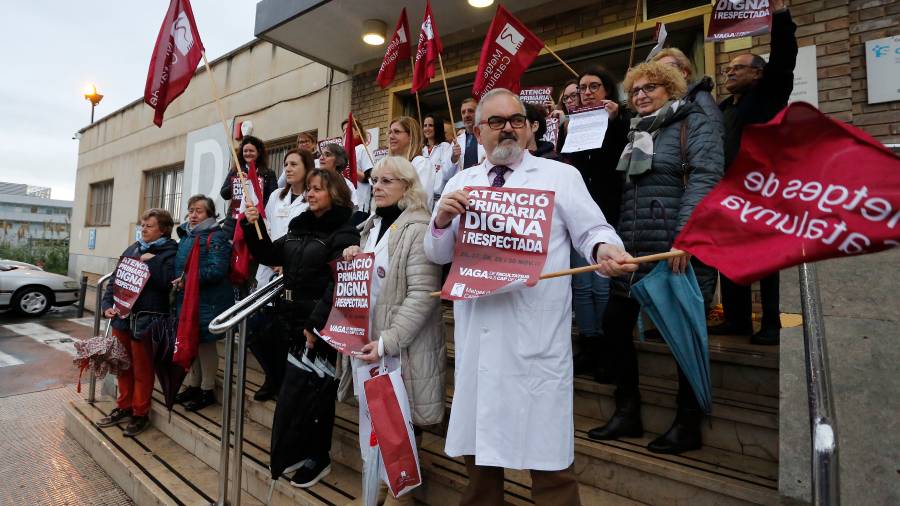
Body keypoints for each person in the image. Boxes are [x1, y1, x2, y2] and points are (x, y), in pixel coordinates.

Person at [424, 88, 634, 506]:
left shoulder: (559, 176)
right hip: (480, 336)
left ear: (530, 128)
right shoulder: (462, 181)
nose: (507, 130)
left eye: (517, 120)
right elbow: (437, 253)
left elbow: (593, 230)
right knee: (480, 461)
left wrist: (605, 250)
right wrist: (443, 219)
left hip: (534, 336)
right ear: (477, 130)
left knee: (549, 459)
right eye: (496, 122)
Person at [586, 61, 723, 455]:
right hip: (633, 249)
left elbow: (706, 178)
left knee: (683, 336)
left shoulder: (693, 123)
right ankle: (627, 411)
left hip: (676, 249)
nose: (641, 95)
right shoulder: (636, 130)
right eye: (636, 90)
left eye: (651, 88)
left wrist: (687, 236)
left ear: (672, 89)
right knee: (615, 325)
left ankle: (688, 421)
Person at [242, 168, 360, 488]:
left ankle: (317, 457)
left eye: (317, 189)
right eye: (308, 188)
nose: (309, 194)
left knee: (315, 396)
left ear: (334, 193)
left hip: (317, 326)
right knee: (295, 395)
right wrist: (252, 226)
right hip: (290, 319)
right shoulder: (298, 226)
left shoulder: (344, 230)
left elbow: (340, 283)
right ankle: (296, 454)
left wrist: (315, 324)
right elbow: (268, 253)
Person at [338, 156, 445, 506]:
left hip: (401, 347)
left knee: (401, 424)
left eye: (387, 181)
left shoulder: (418, 228)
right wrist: (355, 256)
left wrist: (389, 340)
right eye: (376, 180)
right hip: (368, 344)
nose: (378, 187)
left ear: (407, 187)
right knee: (377, 424)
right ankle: (377, 489)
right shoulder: (370, 228)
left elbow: (422, 294)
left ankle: (400, 493)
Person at [711, 0, 796, 346]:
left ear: (758, 73)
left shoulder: (768, 94)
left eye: (737, 68)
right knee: (731, 255)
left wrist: (780, 14)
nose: (729, 72)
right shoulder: (723, 107)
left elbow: (785, 56)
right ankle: (737, 319)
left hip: (763, 189)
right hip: (729, 193)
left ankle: (771, 324)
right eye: (727, 68)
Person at [564, 67, 631, 382]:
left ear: (608, 90)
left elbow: (623, 159)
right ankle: (588, 343)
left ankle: (606, 346)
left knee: (602, 285)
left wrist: (616, 121)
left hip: (606, 216)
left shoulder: (620, 120)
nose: (587, 92)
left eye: (594, 86)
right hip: (577, 217)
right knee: (582, 285)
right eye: (582, 88)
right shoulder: (573, 124)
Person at [96, 208, 178, 437]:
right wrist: (105, 306)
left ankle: (140, 414)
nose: (144, 229)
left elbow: (166, 284)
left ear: (163, 229)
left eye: (149, 226)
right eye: (142, 225)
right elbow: (114, 281)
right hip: (122, 319)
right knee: (123, 367)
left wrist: (149, 263)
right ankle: (124, 407)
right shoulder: (132, 249)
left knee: (143, 370)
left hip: (147, 321)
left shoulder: (170, 251)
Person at [250, 149, 313, 401]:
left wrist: (289, 262)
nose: (287, 168)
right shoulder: (277, 195)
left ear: (307, 168)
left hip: (294, 271)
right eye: (285, 164)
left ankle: (284, 380)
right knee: (258, 328)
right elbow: (266, 227)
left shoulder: (311, 198)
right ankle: (272, 375)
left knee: (282, 331)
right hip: (270, 268)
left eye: (294, 164)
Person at [172, 196, 235, 412]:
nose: (193, 215)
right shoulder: (188, 236)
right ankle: (193, 385)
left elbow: (217, 270)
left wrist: (186, 280)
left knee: (206, 344)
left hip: (209, 301)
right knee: (193, 341)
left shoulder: (216, 237)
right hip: (188, 298)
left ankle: (207, 389)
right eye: (191, 210)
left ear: (210, 215)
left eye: (199, 211)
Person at [651, 47, 724, 145]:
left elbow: (716, 135)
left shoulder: (699, 96)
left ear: (683, 73)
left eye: (667, 68)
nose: (662, 73)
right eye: (658, 71)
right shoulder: (662, 102)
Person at [220, 135, 278, 223]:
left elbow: (274, 198)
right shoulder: (236, 171)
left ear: (258, 153)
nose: (248, 153)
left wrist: (260, 212)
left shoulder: (268, 174)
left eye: (251, 151)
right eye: (245, 151)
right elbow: (224, 194)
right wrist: (236, 181)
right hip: (234, 222)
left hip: (256, 220)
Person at [387, 116, 434, 208]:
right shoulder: (389, 166)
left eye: (396, 132)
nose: (391, 136)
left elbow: (420, 202)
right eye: (389, 132)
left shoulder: (421, 164)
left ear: (411, 136)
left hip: (409, 220)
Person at [342, 118, 376, 222]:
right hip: (345, 205)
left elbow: (369, 177)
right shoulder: (344, 153)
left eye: (347, 129)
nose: (345, 133)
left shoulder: (362, 149)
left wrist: (350, 168)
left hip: (359, 206)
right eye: (343, 131)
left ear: (357, 131)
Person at [422, 113, 461, 201]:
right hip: (422, 199)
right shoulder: (421, 150)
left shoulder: (445, 147)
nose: (427, 128)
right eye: (425, 125)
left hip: (438, 199)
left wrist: (454, 158)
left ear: (438, 127)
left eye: (431, 125)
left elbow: (448, 174)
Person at [318, 143, 361, 210]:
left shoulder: (347, 185)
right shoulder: (313, 180)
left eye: (327, 155)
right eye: (321, 154)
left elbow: (354, 210)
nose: (321, 158)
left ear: (338, 161)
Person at [456, 97, 485, 169]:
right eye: (463, 112)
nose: (466, 115)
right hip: (464, 179)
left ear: (479, 113)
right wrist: (453, 159)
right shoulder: (456, 141)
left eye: (470, 111)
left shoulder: (488, 135)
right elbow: (446, 174)